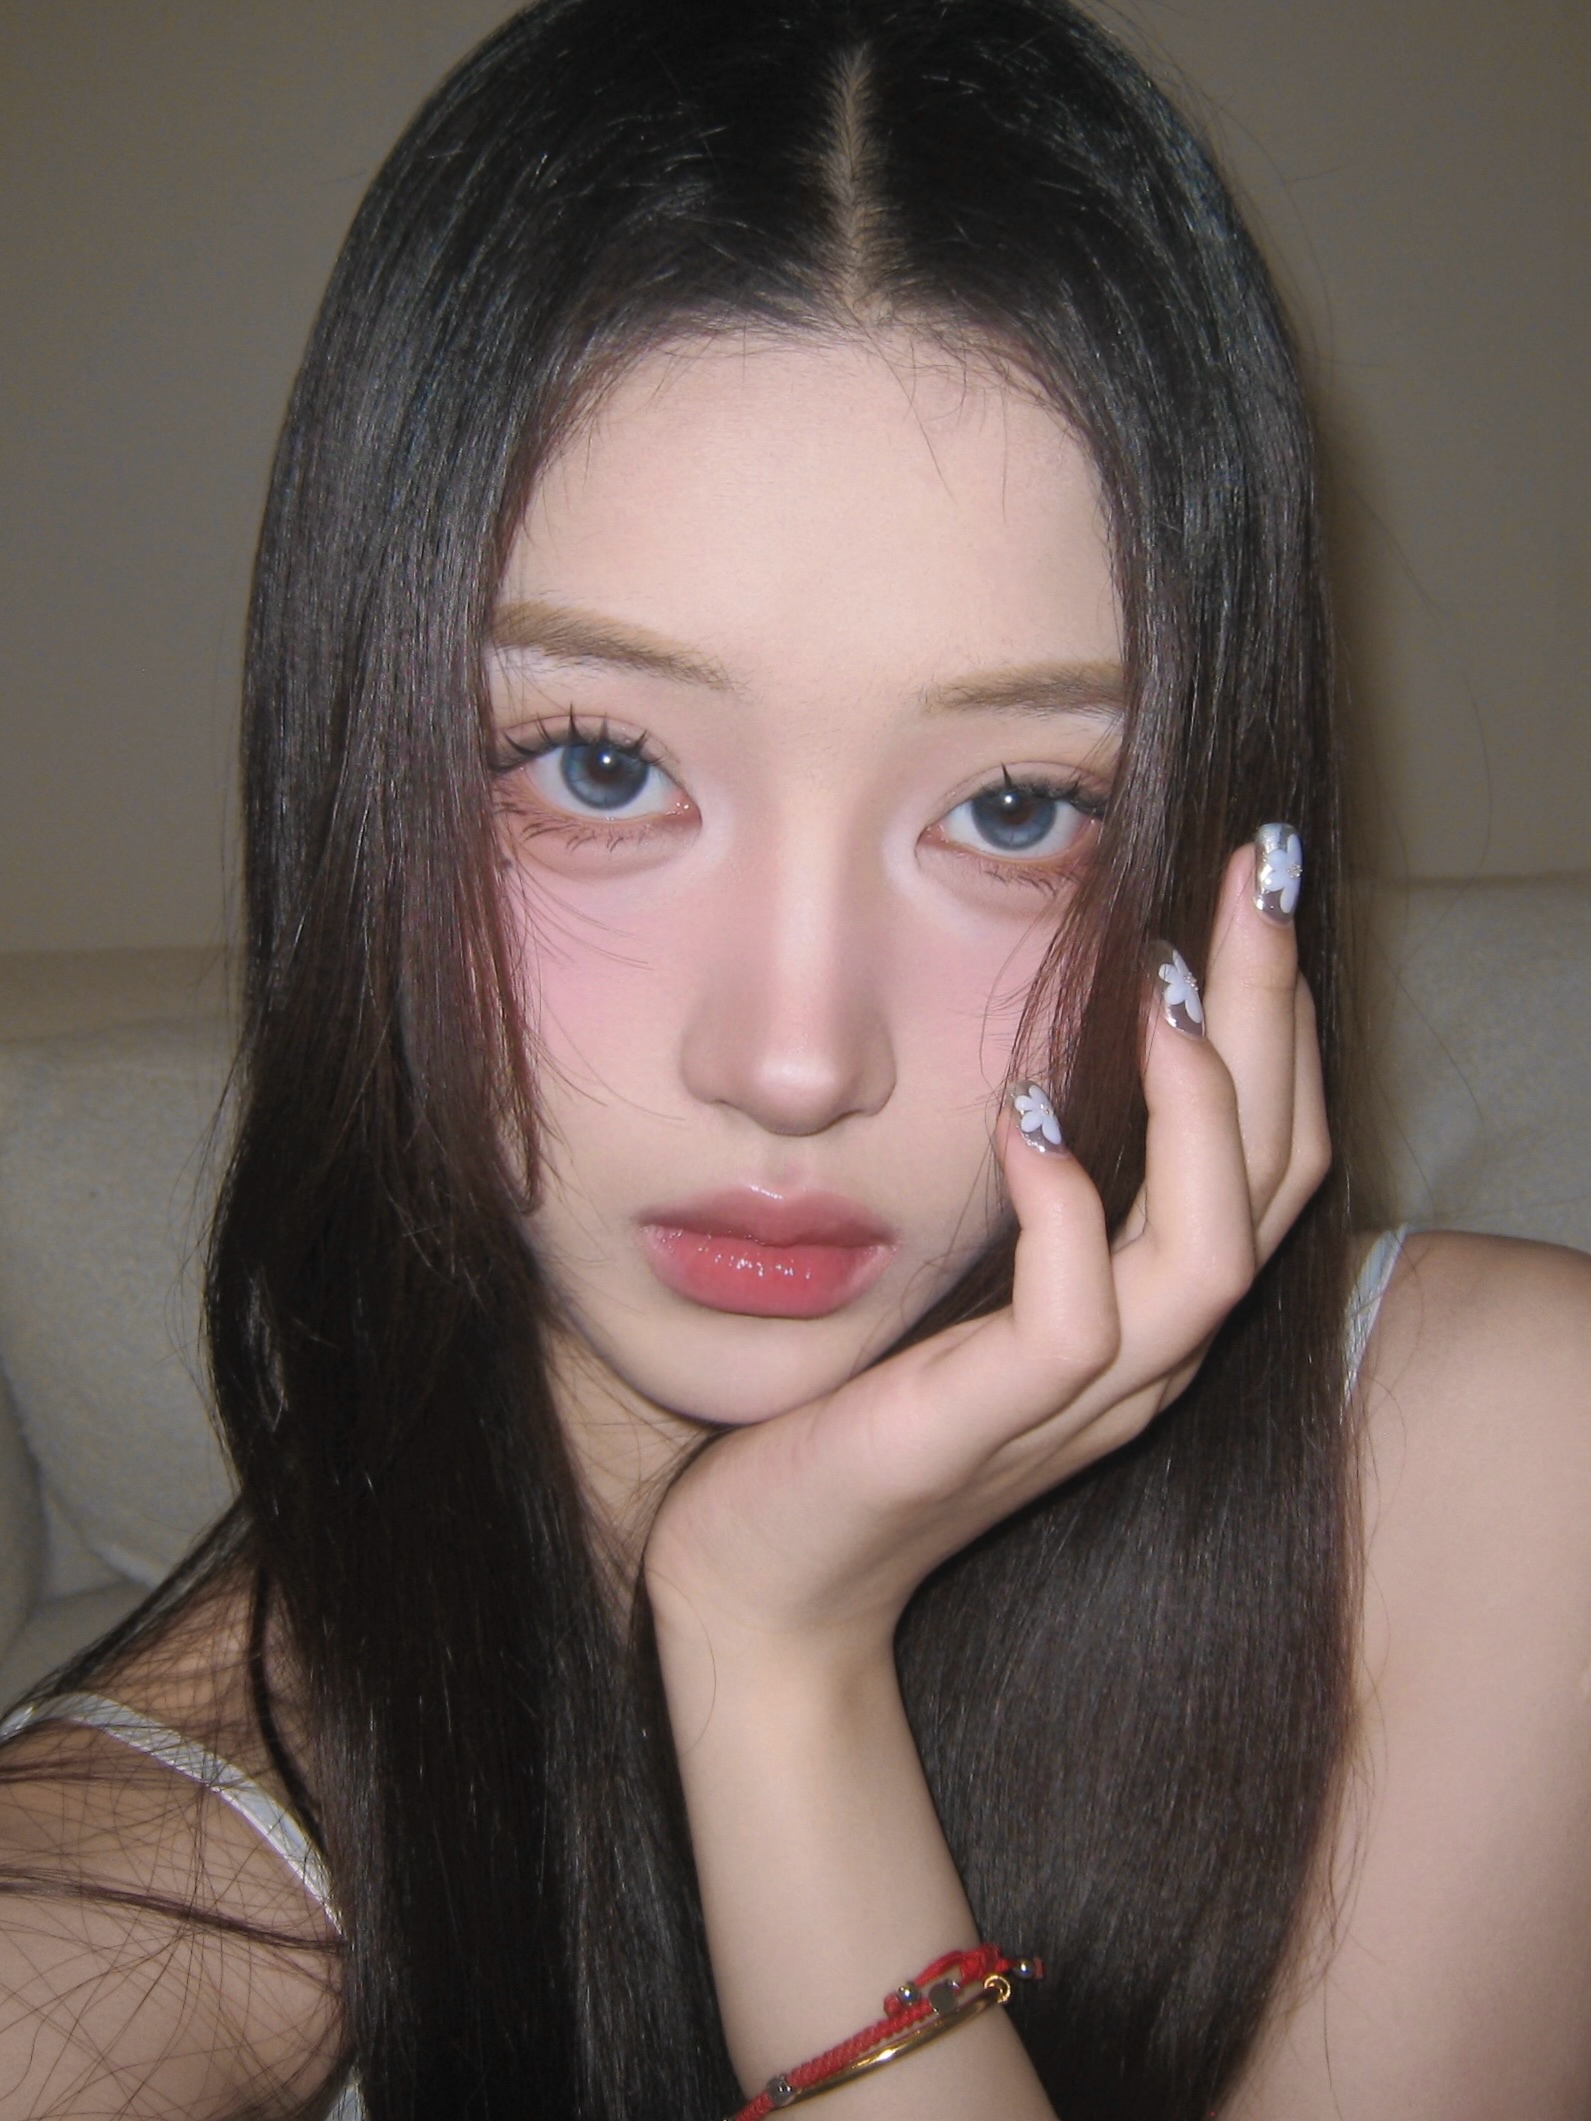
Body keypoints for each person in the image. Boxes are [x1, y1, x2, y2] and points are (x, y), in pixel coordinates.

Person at [2, 1, 1588, 2115]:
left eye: (1017, 805)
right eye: (600, 765)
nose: (791, 1057)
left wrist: (774, 1656)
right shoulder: (246, 1756)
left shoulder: (1498, 1461)